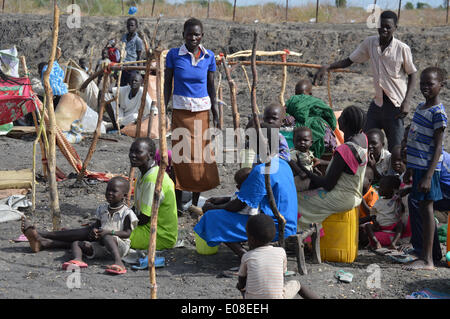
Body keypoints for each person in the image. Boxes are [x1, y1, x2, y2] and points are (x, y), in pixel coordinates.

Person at [314, 10, 417, 152]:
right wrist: (327, 67)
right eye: (382, 26)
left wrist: (407, 102)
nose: (384, 30)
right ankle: (367, 172)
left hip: (396, 106)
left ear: (395, 28)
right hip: (377, 104)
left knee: (396, 148)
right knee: (365, 142)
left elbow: (413, 74)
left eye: (388, 27)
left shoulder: (402, 49)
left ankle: (392, 174)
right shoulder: (370, 43)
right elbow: (349, 60)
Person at [194, 125, 298, 258]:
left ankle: (245, 257)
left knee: (212, 218)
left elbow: (238, 205)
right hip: (288, 223)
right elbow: (250, 195)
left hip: (274, 227)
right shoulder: (283, 163)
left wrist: (213, 208)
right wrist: (224, 199)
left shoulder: (261, 170)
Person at [21, 177, 138, 275]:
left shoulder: (127, 213)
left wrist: (110, 232)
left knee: (107, 236)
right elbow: (96, 226)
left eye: (114, 191)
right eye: (108, 190)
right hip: (101, 247)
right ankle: (78, 259)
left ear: (124, 195)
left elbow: (127, 233)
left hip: (119, 246)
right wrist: (94, 232)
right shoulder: (102, 209)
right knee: (77, 242)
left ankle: (118, 262)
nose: (109, 193)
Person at [164, 17, 220, 213]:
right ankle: (179, 204)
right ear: (183, 35)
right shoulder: (173, 55)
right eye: (190, 34)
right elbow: (167, 84)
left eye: (197, 34)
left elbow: (211, 87)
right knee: (181, 157)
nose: (193, 37)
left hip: (202, 113)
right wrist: (164, 109)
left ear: (202, 35)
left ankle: (195, 203)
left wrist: (216, 112)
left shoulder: (209, 57)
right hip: (180, 112)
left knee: (199, 158)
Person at [403, 67, 447, 270]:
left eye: (430, 84)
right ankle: (424, 253)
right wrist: (411, 168)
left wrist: (429, 176)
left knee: (427, 209)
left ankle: (428, 259)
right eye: (423, 83)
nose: (425, 87)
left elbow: (438, 147)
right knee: (421, 208)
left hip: (429, 170)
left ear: (441, 85)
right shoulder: (421, 107)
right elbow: (415, 137)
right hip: (418, 167)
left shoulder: (438, 112)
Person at [297, 105, 368, 228]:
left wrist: (304, 170)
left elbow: (328, 185)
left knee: (296, 199)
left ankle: (304, 233)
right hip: (355, 194)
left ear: (345, 123)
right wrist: (325, 163)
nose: (338, 119)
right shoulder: (363, 139)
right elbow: (349, 165)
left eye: (341, 117)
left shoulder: (345, 149)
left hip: (341, 198)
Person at [236, 214, 319, 299]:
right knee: (298, 284)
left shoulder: (247, 256)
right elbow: (280, 276)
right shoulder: (281, 252)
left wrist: (241, 287)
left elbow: (242, 281)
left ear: (252, 239)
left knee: (243, 288)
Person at [128, 137, 178, 251]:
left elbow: (144, 218)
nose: (132, 155)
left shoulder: (152, 179)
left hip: (160, 236)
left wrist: (121, 222)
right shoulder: (143, 175)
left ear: (150, 155)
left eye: (138, 152)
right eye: (131, 151)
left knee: (111, 235)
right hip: (147, 228)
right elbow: (136, 209)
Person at [190, 167, 258, 217]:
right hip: (239, 212)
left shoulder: (249, 194)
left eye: (239, 185)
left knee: (210, 215)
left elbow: (233, 206)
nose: (237, 187)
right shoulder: (250, 188)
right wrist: (220, 199)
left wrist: (212, 207)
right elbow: (234, 199)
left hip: (243, 219)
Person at [364, 175, 405, 250]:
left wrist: (398, 199)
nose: (379, 189)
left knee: (400, 225)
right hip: (380, 227)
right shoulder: (379, 201)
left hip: (392, 227)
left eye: (382, 187)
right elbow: (373, 213)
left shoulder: (395, 200)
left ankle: (394, 242)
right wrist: (374, 221)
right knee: (367, 226)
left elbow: (401, 209)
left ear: (392, 189)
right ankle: (376, 242)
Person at [289, 126, 328, 191]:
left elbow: (314, 162)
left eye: (305, 140)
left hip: (308, 175)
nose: (302, 142)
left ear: (311, 143)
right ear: (293, 141)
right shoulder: (294, 153)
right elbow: (289, 160)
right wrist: (300, 171)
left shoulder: (309, 153)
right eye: (299, 140)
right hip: (297, 177)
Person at [120, 17, 143, 86]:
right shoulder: (124, 37)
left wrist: (138, 70)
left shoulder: (138, 40)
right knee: (121, 86)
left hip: (132, 66)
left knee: (132, 85)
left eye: (132, 25)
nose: (130, 27)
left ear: (136, 27)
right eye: (128, 25)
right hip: (123, 65)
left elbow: (138, 55)